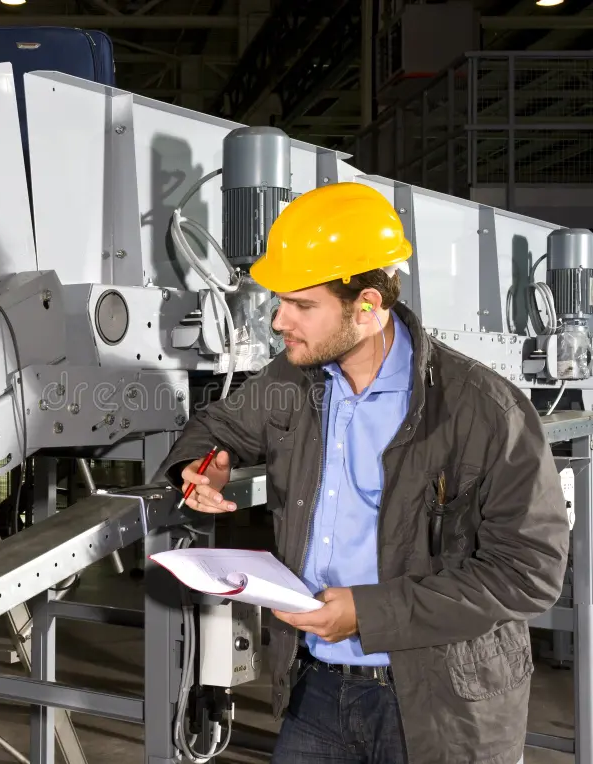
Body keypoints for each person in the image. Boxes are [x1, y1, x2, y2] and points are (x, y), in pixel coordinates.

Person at [155, 181, 569, 764]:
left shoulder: (484, 410)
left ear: (368, 306)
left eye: (302, 305)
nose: (279, 321)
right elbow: (217, 425)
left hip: (441, 702)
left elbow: (529, 572)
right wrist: (202, 466)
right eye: (280, 301)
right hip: (317, 688)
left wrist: (368, 615)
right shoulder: (293, 379)